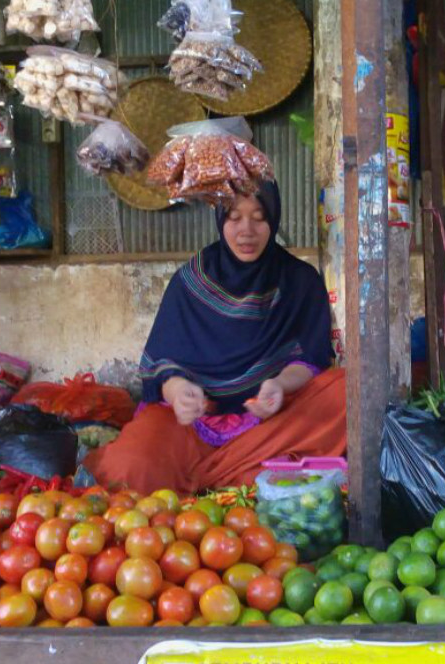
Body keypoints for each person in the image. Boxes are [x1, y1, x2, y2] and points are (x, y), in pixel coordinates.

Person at [84, 181, 346, 495]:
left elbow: (310, 358)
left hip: (267, 425)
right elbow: (162, 365)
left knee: (346, 392)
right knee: (127, 468)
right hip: (190, 430)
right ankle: (242, 476)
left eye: (259, 217)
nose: (246, 230)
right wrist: (179, 392)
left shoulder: (299, 281)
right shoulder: (191, 281)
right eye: (234, 217)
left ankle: (207, 477)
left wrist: (280, 384)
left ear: (274, 219)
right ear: (220, 218)